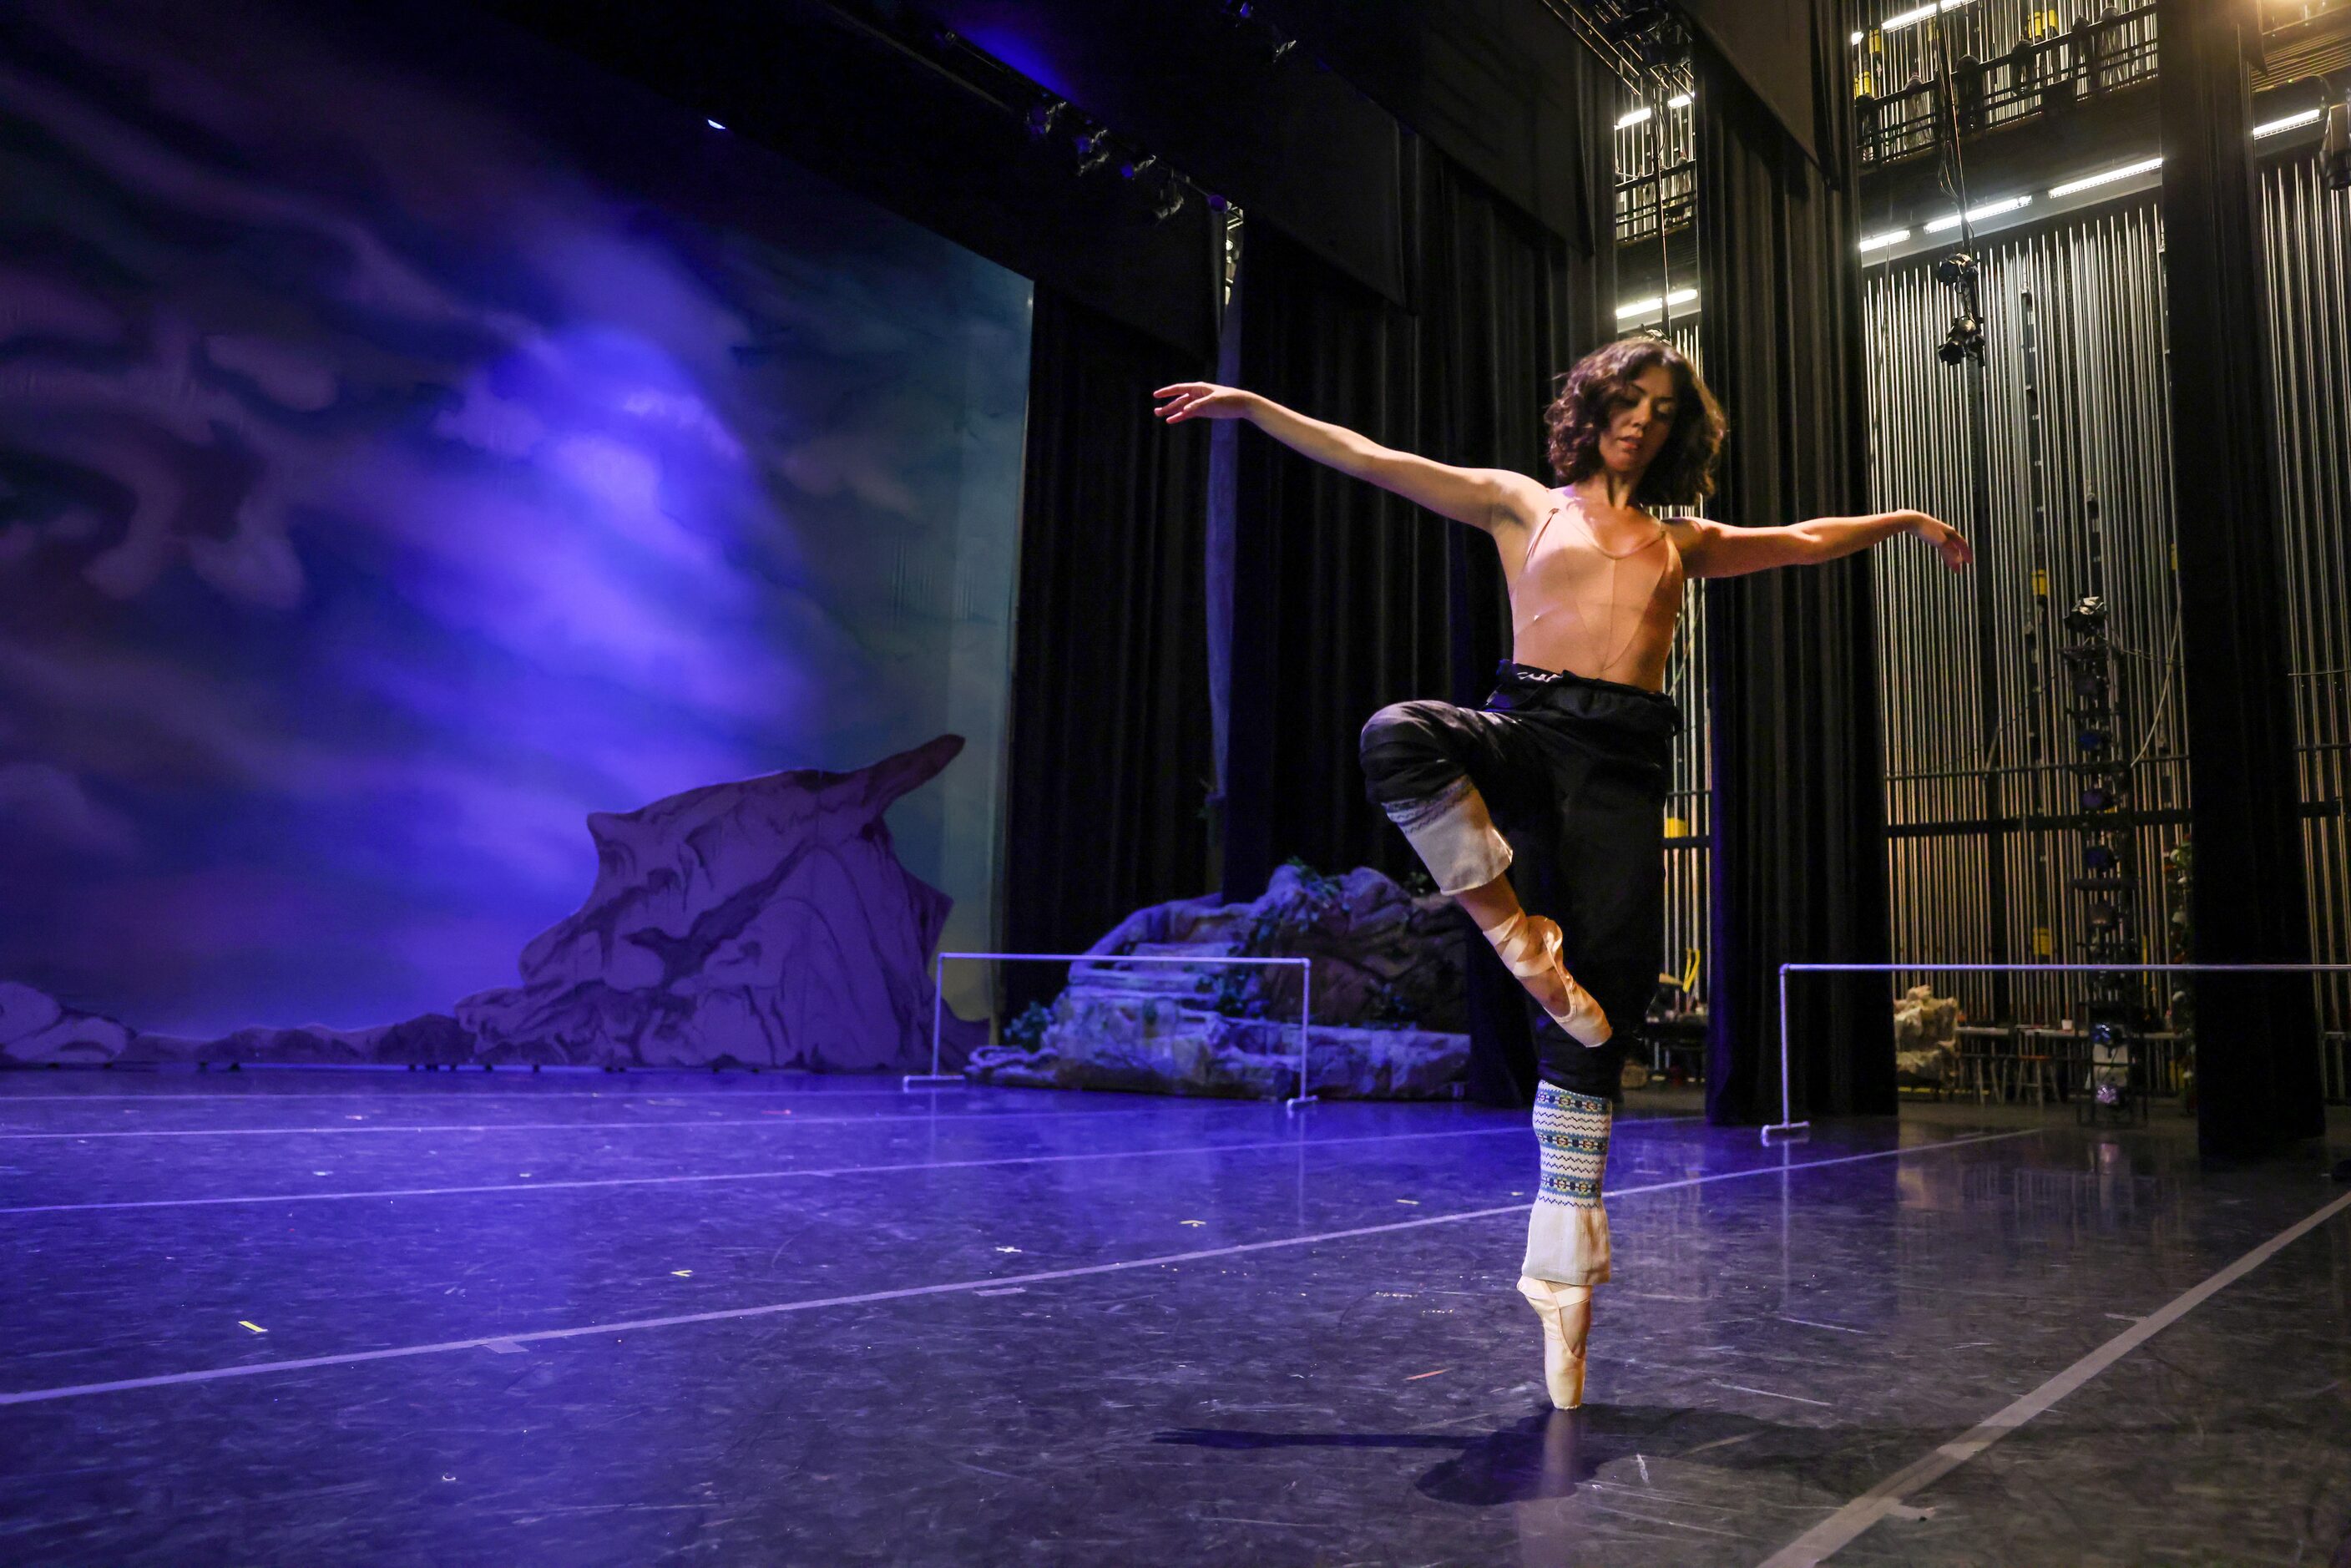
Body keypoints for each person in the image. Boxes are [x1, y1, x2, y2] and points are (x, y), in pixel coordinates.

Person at [1155, 336, 1972, 1409]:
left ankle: (1563, 1284)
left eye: (1662, 409)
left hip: (1622, 772)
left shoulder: (1684, 540)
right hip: (1525, 729)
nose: (1640, 419)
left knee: (1596, 1021)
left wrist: (1900, 522)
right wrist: (1256, 405)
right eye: (1625, 399)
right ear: (1590, 408)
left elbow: (1803, 538)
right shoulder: (1516, 505)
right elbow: (1367, 456)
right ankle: (1511, 935)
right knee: (1397, 736)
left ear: (1679, 430)